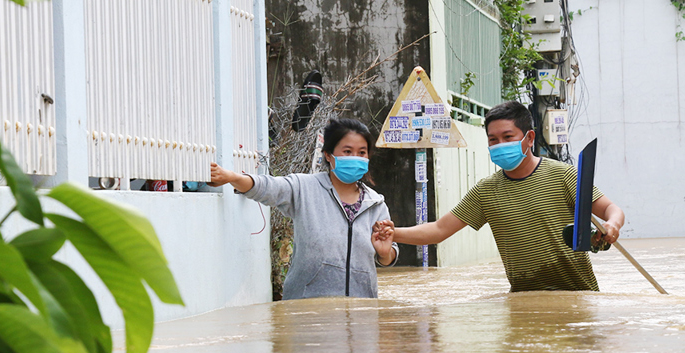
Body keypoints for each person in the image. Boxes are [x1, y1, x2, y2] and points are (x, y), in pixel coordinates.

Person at [375, 101, 625, 292]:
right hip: (523, 303)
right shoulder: (486, 192)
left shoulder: (563, 175)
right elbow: (440, 229)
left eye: (508, 137)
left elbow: (612, 209)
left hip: (579, 295)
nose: (499, 144)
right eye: (493, 140)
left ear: (529, 138)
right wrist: (392, 233)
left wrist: (612, 225)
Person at [210, 118, 398, 300]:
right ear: (328, 155)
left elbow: (388, 256)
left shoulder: (376, 203)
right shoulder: (304, 188)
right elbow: (268, 187)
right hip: (307, 307)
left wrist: (385, 254)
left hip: (361, 311)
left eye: (361, 153)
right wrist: (232, 177)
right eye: (347, 151)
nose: (355, 158)